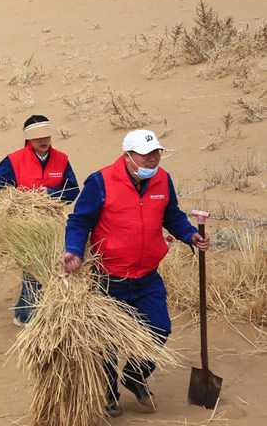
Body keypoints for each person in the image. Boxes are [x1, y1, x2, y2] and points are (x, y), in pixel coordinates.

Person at [61, 130, 211, 418]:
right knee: (106, 341)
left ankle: (135, 375)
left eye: (156, 153)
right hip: (109, 278)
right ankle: (108, 395)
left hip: (147, 276)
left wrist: (191, 235)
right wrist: (74, 251)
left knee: (160, 328)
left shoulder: (162, 179)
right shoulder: (101, 181)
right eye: (146, 154)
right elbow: (80, 220)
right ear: (128, 156)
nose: (153, 159)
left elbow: (172, 216)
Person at [0, 115, 79, 326]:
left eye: (46, 136)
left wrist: (50, 193)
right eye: (37, 137)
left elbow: (73, 189)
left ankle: (23, 312)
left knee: (46, 266)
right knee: (34, 266)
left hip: (52, 222)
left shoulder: (62, 159)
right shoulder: (14, 161)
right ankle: (31, 315)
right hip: (25, 225)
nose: (43, 141)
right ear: (28, 139)